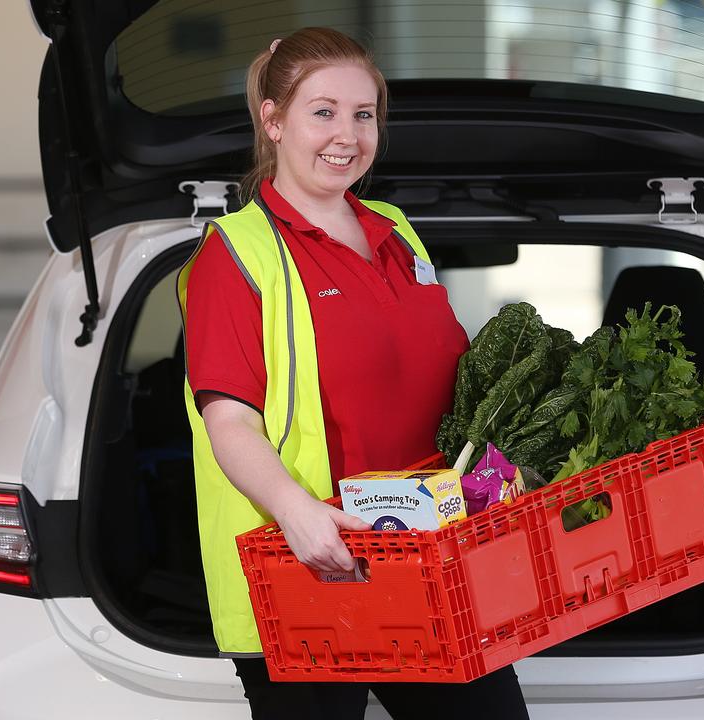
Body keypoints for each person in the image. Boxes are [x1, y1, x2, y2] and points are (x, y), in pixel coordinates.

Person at [177, 26, 530, 720]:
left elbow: (443, 381)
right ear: (273, 121)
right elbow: (229, 420)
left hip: (427, 555)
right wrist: (296, 513)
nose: (347, 134)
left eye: (363, 114)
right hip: (309, 564)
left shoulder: (394, 228)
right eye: (323, 112)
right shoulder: (237, 253)